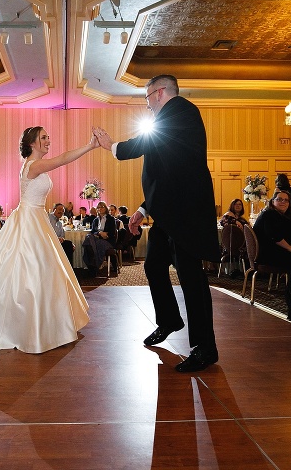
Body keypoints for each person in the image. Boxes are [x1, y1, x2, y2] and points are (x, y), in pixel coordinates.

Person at [93, 74, 221, 373]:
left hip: (186, 216)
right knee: (153, 266)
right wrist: (142, 208)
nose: (147, 105)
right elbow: (167, 174)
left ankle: (206, 348)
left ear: (160, 93)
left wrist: (113, 146)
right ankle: (169, 320)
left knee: (192, 280)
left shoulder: (181, 111)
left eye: (148, 98)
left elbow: (148, 144)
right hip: (169, 213)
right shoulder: (173, 120)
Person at [0, 126, 97, 354]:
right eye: (43, 137)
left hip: (34, 218)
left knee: (38, 271)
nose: (48, 140)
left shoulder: (32, 165)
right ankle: (27, 328)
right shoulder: (34, 165)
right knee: (31, 270)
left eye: (48, 137)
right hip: (30, 220)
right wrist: (90, 146)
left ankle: (41, 325)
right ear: (32, 143)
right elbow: (63, 159)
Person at [253, 190, 291, 270]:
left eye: (286, 200)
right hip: (270, 255)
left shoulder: (281, 215)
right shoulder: (269, 214)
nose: (283, 202)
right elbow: (274, 235)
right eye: (279, 199)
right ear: (273, 201)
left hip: (277, 251)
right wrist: (290, 247)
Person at [81, 201, 117, 274]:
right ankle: (92, 265)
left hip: (108, 240)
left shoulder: (111, 219)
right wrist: (99, 233)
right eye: (98, 207)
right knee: (89, 237)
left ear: (106, 208)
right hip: (98, 238)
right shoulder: (96, 220)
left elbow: (112, 232)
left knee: (95, 244)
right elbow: (93, 231)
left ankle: (94, 266)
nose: (100, 209)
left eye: (102, 207)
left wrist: (105, 235)